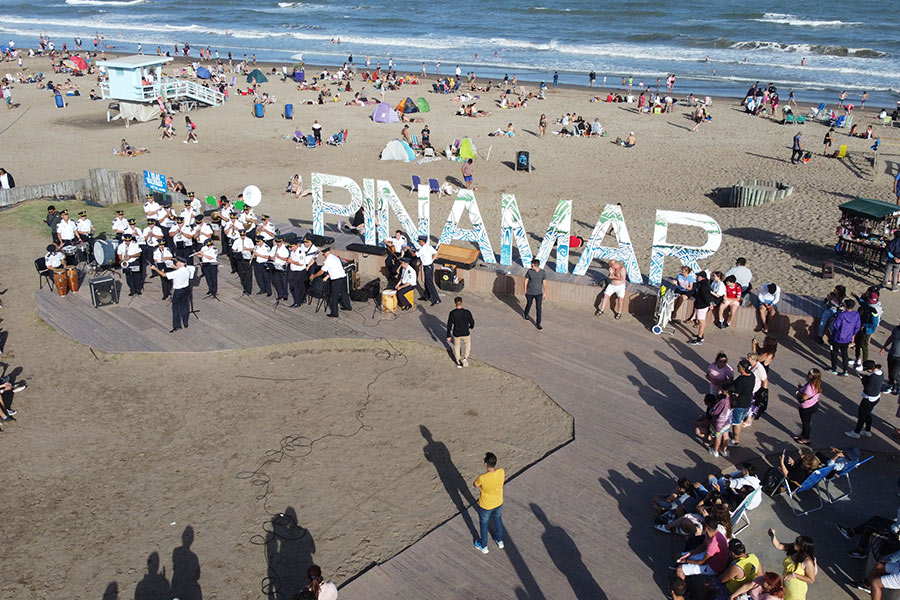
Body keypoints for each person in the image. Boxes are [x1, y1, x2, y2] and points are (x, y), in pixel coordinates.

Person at [151, 256, 196, 332]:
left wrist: (155, 269)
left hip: (178, 291)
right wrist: (175, 267)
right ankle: (185, 323)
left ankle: (177, 325)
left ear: (181, 263)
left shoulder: (177, 272)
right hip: (186, 289)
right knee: (185, 306)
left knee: (176, 308)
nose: (176, 263)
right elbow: (180, 271)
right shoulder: (187, 270)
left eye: (178, 262)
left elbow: (164, 275)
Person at [769, 529, 816, 600]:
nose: (794, 543)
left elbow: (811, 580)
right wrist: (773, 535)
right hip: (786, 585)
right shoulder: (794, 548)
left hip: (796, 590)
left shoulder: (808, 561)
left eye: (797, 543)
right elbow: (779, 545)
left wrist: (795, 575)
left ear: (803, 547)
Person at [473, 452, 505, 554]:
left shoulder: (483, 478)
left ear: (485, 464)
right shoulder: (501, 471)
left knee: (484, 524)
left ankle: (484, 545)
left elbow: (475, 485)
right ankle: (500, 541)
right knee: (498, 519)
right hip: (498, 501)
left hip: (486, 505)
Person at [846, 360, 883, 439]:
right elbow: (872, 382)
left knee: (861, 415)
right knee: (868, 414)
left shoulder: (873, 377)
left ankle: (856, 432)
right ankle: (867, 430)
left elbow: (868, 389)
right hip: (876, 398)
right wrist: (866, 377)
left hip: (869, 399)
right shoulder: (880, 372)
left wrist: (862, 379)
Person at [315, 247, 351, 318]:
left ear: (325, 253)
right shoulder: (335, 258)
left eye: (323, 254)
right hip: (343, 277)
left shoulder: (328, 260)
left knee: (334, 296)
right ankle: (348, 306)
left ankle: (335, 313)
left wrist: (314, 276)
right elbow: (334, 269)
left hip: (336, 280)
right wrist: (327, 276)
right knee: (344, 293)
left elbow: (322, 271)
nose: (324, 256)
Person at [830, 298, 861, 376]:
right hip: (847, 338)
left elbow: (836, 325)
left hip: (837, 337)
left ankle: (834, 369)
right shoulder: (856, 314)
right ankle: (845, 371)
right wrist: (852, 334)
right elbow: (857, 326)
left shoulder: (842, 314)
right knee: (845, 354)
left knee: (834, 353)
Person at [854, 288, 883, 369]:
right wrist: (856, 296)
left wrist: (864, 325)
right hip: (862, 326)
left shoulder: (875, 310)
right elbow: (862, 303)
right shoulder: (868, 304)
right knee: (857, 341)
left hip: (867, 330)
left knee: (864, 345)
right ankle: (857, 359)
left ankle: (865, 363)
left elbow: (874, 324)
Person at [729, 359, 754, 447]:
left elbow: (736, 394)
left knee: (736, 423)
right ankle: (736, 438)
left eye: (739, 366)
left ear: (743, 368)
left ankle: (735, 440)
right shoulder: (752, 376)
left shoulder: (741, 381)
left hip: (739, 405)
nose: (737, 367)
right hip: (747, 403)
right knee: (739, 421)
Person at [794, 369, 821, 444]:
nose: (807, 374)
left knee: (806, 422)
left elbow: (804, 397)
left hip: (807, 407)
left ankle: (806, 438)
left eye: (809, 373)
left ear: (812, 376)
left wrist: (798, 392)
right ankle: (803, 435)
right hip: (814, 404)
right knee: (806, 422)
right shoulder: (817, 383)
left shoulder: (810, 386)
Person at [446, 296, 475, 368]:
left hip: (456, 334)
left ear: (455, 303)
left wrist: (448, 335)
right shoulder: (467, 312)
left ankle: (458, 362)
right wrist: (471, 326)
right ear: (462, 303)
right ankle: (465, 358)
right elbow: (472, 322)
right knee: (468, 345)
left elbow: (449, 325)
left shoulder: (452, 313)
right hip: (465, 333)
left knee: (456, 347)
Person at [689, 270, 714, 345]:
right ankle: (701, 335)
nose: (697, 277)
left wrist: (709, 304)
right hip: (699, 304)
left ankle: (699, 339)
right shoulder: (701, 284)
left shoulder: (704, 286)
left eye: (698, 276)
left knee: (701, 322)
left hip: (702, 306)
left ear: (702, 277)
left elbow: (706, 296)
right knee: (700, 321)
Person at [413, 235, 440, 306]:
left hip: (427, 267)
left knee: (430, 283)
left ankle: (436, 299)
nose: (419, 243)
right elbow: (436, 253)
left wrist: (409, 249)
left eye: (419, 241)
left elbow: (414, 255)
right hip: (429, 266)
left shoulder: (422, 249)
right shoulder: (429, 247)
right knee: (426, 282)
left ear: (423, 242)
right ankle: (426, 296)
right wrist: (432, 260)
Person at [523, 259, 545, 330]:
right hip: (529, 292)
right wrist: (525, 290)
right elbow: (526, 280)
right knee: (529, 304)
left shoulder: (543, 272)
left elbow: (544, 282)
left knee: (539, 308)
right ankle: (526, 314)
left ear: (536, 265)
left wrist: (545, 293)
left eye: (532, 265)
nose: (531, 266)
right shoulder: (529, 271)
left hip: (539, 293)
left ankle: (538, 323)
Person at [881, 323, 900, 394]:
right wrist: (884, 347)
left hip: (899, 358)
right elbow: (891, 338)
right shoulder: (896, 329)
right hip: (892, 354)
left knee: (894, 373)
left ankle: (899, 385)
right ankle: (891, 385)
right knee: (890, 371)